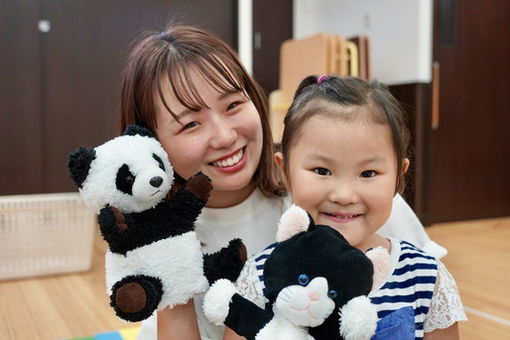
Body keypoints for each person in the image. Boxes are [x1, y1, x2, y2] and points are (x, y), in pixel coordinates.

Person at [118, 25, 447, 340]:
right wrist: (165, 257)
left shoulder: (351, 199)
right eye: (190, 124)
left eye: (233, 104)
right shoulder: (164, 243)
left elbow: (430, 302)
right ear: (151, 144)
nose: (224, 136)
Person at [232, 75, 467, 340]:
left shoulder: (425, 279)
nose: (344, 195)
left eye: (368, 173)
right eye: (322, 170)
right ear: (285, 172)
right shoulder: (262, 275)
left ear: (399, 178)